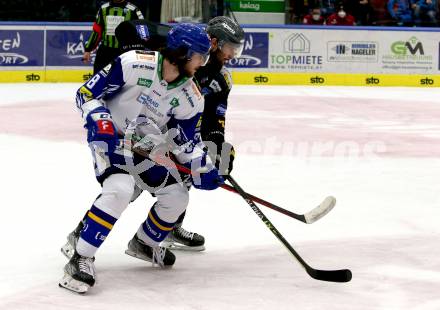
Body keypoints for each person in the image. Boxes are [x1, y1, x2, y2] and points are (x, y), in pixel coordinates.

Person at [59, 23, 222, 294]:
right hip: (111, 135)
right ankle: (81, 256)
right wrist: (100, 120)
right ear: (183, 53)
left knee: (177, 197)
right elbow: (86, 93)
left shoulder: (191, 98)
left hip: (145, 144)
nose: (202, 64)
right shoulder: (135, 63)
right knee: (120, 189)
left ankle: (145, 243)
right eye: (200, 57)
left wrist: (201, 165)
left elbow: (185, 141)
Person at [82, 0, 144, 74]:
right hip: (105, 51)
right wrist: (88, 50)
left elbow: (143, 30)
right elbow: (97, 31)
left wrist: (142, 50)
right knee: (98, 79)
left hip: (125, 52)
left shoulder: (133, 9)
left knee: (122, 80)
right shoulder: (103, 8)